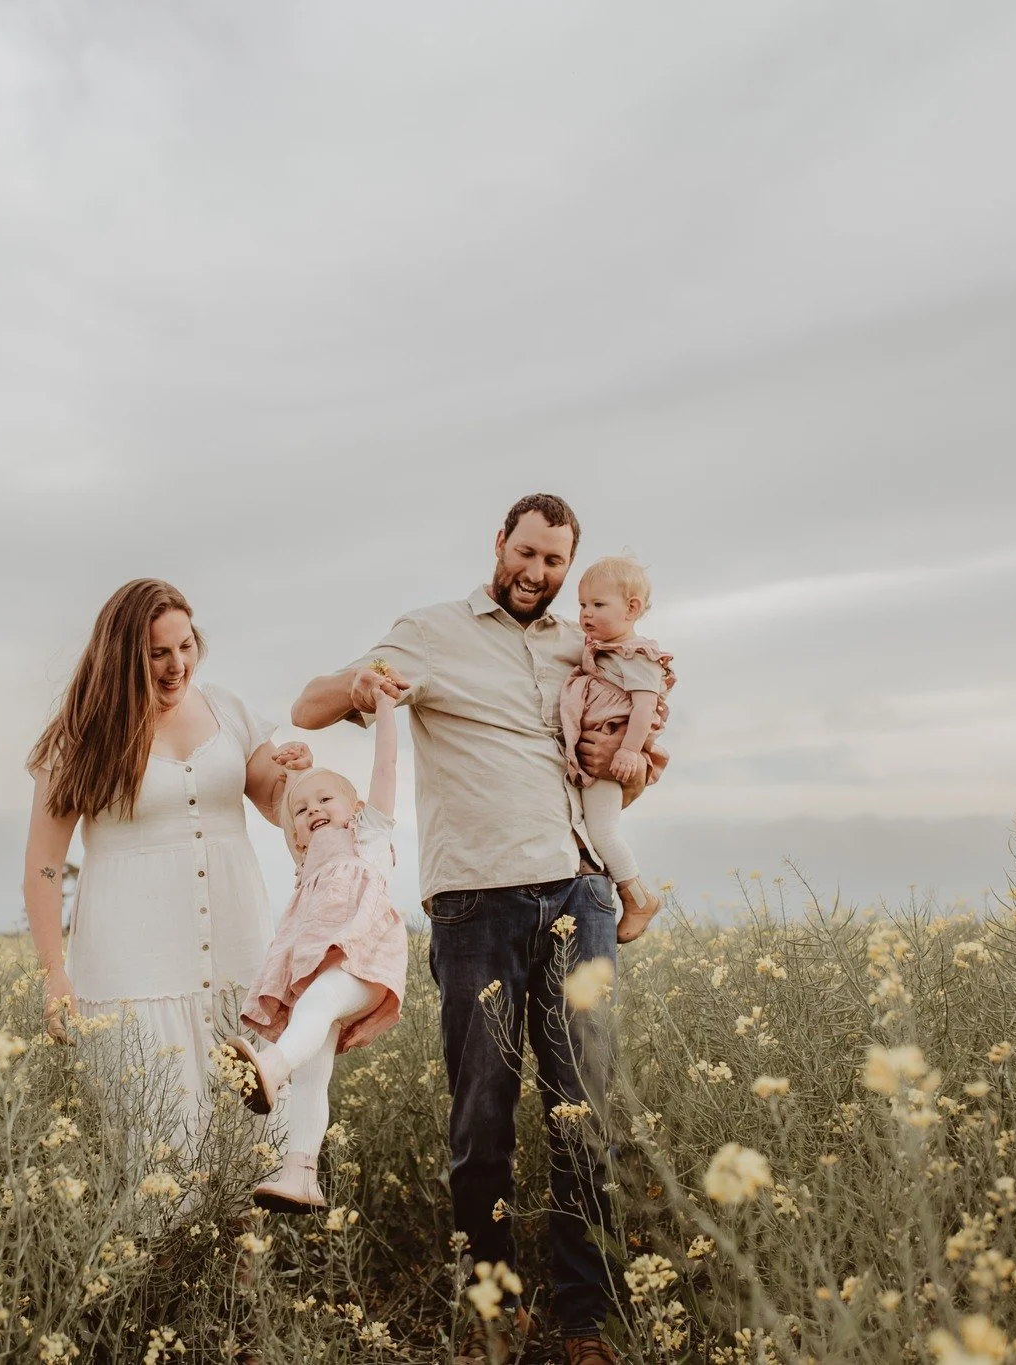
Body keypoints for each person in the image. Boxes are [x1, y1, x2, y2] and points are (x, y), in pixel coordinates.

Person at [292, 494, 648, 1365]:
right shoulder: (430, 631)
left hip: (578, 894)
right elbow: (308, 706)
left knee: (584, 1115)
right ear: (499, 544)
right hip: (475, 905)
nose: (537, 574)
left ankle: (585, 1322)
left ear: (571, 566)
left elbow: (618, 752)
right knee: (482, 1117)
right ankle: (496, 1311)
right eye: (526, 553)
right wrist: (361, 687)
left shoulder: (582, 644)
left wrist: (625, 766)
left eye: (555, 562)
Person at [22, 578, 311, 1150]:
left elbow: (282, 807)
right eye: (158, 653)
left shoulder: (227, 710)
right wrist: (54, 973)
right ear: (124, 656)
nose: (177, 665)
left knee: (256, 1149)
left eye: (186, 645)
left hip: (239, 957)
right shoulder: (81, 736)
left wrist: (301, 777)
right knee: (161, 1154)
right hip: (134, 971)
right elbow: (43, 865)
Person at [227, 680, 408, 1214]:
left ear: (354, 808)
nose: (313, 811)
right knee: (315, 1071)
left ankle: (270, 1068)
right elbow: (293, 811)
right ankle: (299, 1174)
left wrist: (385, 710)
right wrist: (300, 776)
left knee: (321, 1003)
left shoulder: (366, 836)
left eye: (327, 800)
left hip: (363, 961)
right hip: (318, 966)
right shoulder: (306, 861)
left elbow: (387, 769)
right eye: (302, 810)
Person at [560, 553, 675, 942]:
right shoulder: (602, 651)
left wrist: (627, 750)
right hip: (592, 756)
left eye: (597, 605)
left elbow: (644, 707)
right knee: (592, 827)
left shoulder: (637, 655)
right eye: (581, 605)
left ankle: (638, 896)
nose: (586, 614)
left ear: (632, 609)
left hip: (610, 757)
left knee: (603, 831)